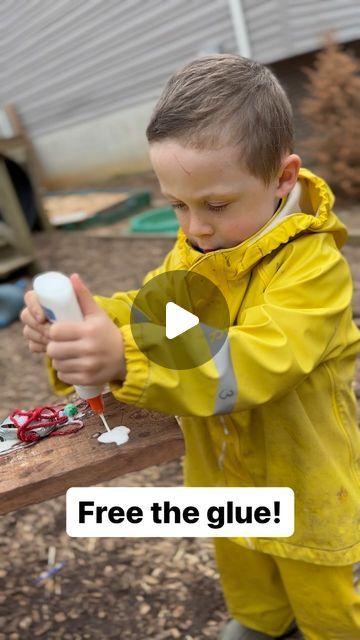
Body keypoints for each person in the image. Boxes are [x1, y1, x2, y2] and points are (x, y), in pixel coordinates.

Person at [21, 55, 360, 640]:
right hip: (225, 484)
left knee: (327, 608)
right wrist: (85, 325)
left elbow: (255, 362)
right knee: (250, 587)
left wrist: (124, 357)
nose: (194, 227)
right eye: (177, 204)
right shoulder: (196, 249)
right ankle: (261, 623)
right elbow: (159, 311)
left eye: (215, 205)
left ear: (282, 178)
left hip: (306, 489)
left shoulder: (313, 269)